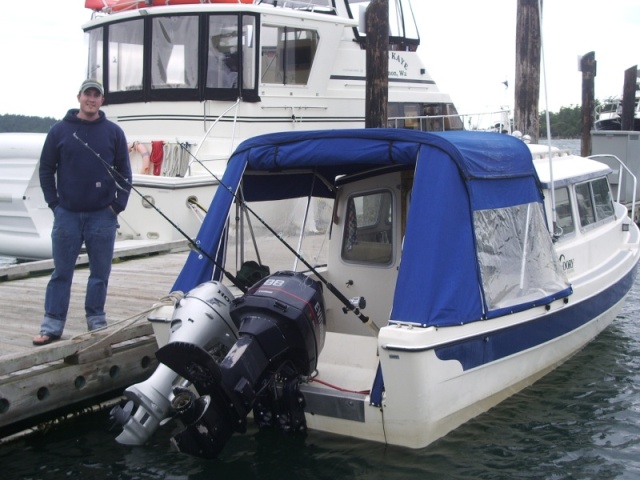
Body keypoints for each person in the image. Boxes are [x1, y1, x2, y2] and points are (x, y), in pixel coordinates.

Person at [32, 79, 132, 346]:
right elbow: (45, 170)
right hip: (67, 214)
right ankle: (51, 324)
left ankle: (96, 320)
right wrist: (54, 204)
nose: (91, 99)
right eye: (87, 94)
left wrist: (116, 206)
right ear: (79, 97)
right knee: (61, 273)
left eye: (96, 95)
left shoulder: (114, 133)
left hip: (103, 215)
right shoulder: (59, 131)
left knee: (100, 273)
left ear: (102, 101)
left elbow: (125, 174)